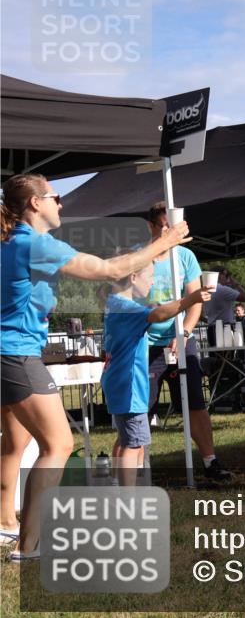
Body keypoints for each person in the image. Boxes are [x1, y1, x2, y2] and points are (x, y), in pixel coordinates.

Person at [1, 174, 188, 560]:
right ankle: (29, 545)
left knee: (16, 442)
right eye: (55, 197)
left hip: (8, 354)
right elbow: (107, 270)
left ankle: (7, 525)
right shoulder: (34, 243)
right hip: (16, 355)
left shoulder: (11, 244)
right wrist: (161, 244)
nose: (61, 204)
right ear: (36, 203)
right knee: (59, 443)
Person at [143, 202, 230, 481]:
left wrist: (186, 332)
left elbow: (195, 301)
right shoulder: (140, 257)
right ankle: (138, 469)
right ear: (152, 227)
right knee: (143, 406)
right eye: (165, 226)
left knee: (195, 403)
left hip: (181, 338)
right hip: (145, 343)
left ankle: (210, 462)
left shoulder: (185, 257)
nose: (171, 231)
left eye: (174, 225)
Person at [103, 266, 211, 486]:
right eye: (150, 276)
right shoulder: (127, 308)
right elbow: (158, 315)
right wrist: (190, 299)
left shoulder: (115, 303)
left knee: (128, 440)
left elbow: (150, 312)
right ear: (132, 276)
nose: (153, 282)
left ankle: (120, 491)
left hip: (119, 383)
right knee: (134, 444)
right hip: (131, 386)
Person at [203, 266, 245, 347]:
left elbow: (198, 315)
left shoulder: (205, 290)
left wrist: (210, 321)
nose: (228, 279)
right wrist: (235, 285)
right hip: (225, 328)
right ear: (220, 275)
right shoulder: (223, 290)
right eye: (227, 276)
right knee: (228, 358)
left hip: (211, 329)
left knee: (215, 357)